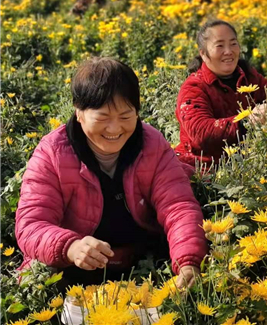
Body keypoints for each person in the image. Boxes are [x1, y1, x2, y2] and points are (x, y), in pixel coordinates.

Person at [15, 58, 207, 288]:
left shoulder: (152, 144)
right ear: (79, 112)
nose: (115, 128)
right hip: (74, 272)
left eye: (125, 116)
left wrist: (188, 261)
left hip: (143, 266)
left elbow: (178, 206)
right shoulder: (52, 153)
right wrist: (71, 247)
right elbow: (31, 224)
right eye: (102, 117)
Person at [175, 20, 267, 167]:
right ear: (203, 54)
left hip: (246, 164)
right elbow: (201, 133)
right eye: (220, 46)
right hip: (203, 169)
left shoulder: (248, 76)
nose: (228, 51)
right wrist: (247, 121)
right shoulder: (193, 87)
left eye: (233, 44)